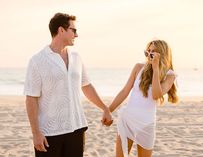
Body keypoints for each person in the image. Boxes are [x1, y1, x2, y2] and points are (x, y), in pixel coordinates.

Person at [24, 12, 113, 157]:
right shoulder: (37, 61)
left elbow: (86, 86)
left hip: (76, 128)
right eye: (74, 30)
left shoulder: (76, 57)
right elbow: (31, 98)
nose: (76, 35)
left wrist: (105, 108)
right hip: (49, 133)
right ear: (61, 30)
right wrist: (36, 133)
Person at [109, 39, 179, 157]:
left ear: (162, 54)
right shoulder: (138, 68)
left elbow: (156, 95)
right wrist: (108, 110)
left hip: (146, 124)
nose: (149, 56)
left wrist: (156, 69)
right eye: (147, 52)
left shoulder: (170, 75)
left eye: (153, 53)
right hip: (128, 119)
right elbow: (125, 91)